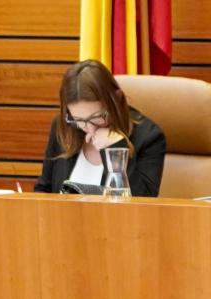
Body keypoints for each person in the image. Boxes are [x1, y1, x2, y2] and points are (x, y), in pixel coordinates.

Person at [34, 59, 166, 196]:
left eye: (96, 117)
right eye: (79, 120)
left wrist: (116, 148)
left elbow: (143, 202)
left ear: (117, 100)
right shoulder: (63, 127)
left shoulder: (149, 137)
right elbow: (44, 189)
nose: (90, 129)